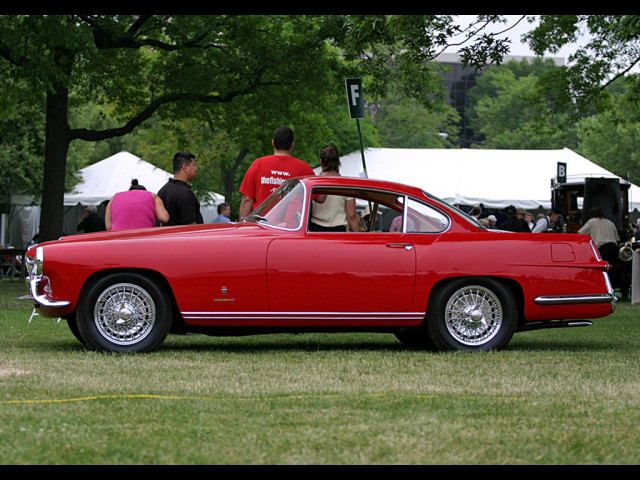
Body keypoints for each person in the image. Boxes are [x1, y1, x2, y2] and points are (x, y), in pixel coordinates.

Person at [238, 126, 314, 219]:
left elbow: (247, 199)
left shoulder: (258, 164)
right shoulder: (304, 168)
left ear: (273, 143)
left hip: (261, 224)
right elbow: (320, 198)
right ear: (292, 145)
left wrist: (243, 224)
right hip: (291, 227)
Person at [309, 145, 359, 233]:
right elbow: (351, 216)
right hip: (338, 231)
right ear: (338, 162)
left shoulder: (313, 183)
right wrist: (358, 237)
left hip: (315, 230)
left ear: (321, 162)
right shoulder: (346, 185)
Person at [158, 151, 203, 226]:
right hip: (184, 237)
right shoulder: (185, 194)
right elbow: (191, 228)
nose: (196, 168)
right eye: (194, 165)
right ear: (185, 167)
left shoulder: (162, 191)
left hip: (165, 236)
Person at [105, 179, 169, 231]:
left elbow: (108, 227)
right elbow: (164, 218)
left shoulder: (114, 197)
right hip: (144, 238)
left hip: (119, 239)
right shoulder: (152, 196)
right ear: (144, 191)